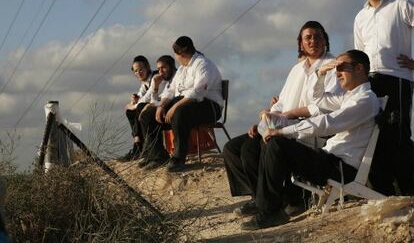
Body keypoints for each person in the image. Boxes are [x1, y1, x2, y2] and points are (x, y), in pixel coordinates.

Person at [239, 50, 380, 230]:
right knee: (270, 143)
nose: (337, 73)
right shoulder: (350, 96)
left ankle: (270, 211)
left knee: (278, 144)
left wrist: (284, 131)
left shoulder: (365, 100)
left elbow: (327, 123)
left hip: (340, 168)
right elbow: (318, 99)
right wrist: (321, 74)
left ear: (359, 68)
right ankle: (269, 205)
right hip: (329, 160)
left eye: (341, 67)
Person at [223, 21, 340, 217]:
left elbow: (326, 106)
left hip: (308, 127)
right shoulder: (297, 69)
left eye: (318, 37)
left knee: (251, 149)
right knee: (232, 148)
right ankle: (260, 197)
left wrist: (288, 115)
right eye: (308, 38)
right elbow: (282, 103)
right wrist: (266, 116)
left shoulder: (332, 65)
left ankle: (276, 202)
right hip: (282, 122)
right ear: (301, 44)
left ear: (325, 40)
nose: (313, 41)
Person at [354, 0, 414, 195]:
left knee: (398, 135)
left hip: (397, 78)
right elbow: (359, 54)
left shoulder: (400, 6)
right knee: (374, 136)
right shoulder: (360, 17)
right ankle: (385, 192)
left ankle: (409, 191)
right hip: (370, 81)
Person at [139, 36, 223, 172]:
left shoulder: (203, 64)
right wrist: (161, 106)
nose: (176, 57)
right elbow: (170, 90)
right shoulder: (182, 69)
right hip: (185, 104)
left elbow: (198, 92)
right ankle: (158, 156)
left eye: (176, 54)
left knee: (179, 111)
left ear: (181, 54)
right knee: (148, 115)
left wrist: (175, 106)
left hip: (209, 106)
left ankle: (178, 159)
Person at [120, 55, 154, 162]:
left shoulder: (155, 78)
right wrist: (134, 100)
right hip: (150, 107)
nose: (138, 73)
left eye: (141, 70)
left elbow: (148, 98)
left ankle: (140, 145)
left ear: (147, 67)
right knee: (130, 112)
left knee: (139, 108)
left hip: (159, 107)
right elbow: (141, 97)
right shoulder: (144, 83)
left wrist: (135, 104)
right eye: (135, 71)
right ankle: (138, 142)